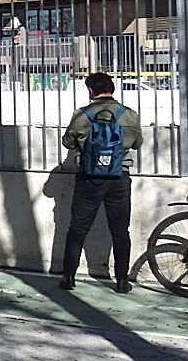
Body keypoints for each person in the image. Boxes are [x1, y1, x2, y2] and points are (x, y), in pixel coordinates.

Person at [59, 72, 142, 293]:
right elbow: (137, 143)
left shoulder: (82, 115)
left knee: (77, 228)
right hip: (119, 178)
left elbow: (67, 142)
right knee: (120, 231)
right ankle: (122, 281)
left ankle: (68, 278)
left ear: (90, 91)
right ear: (112, 89)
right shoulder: (130, 115)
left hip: (89, 178)